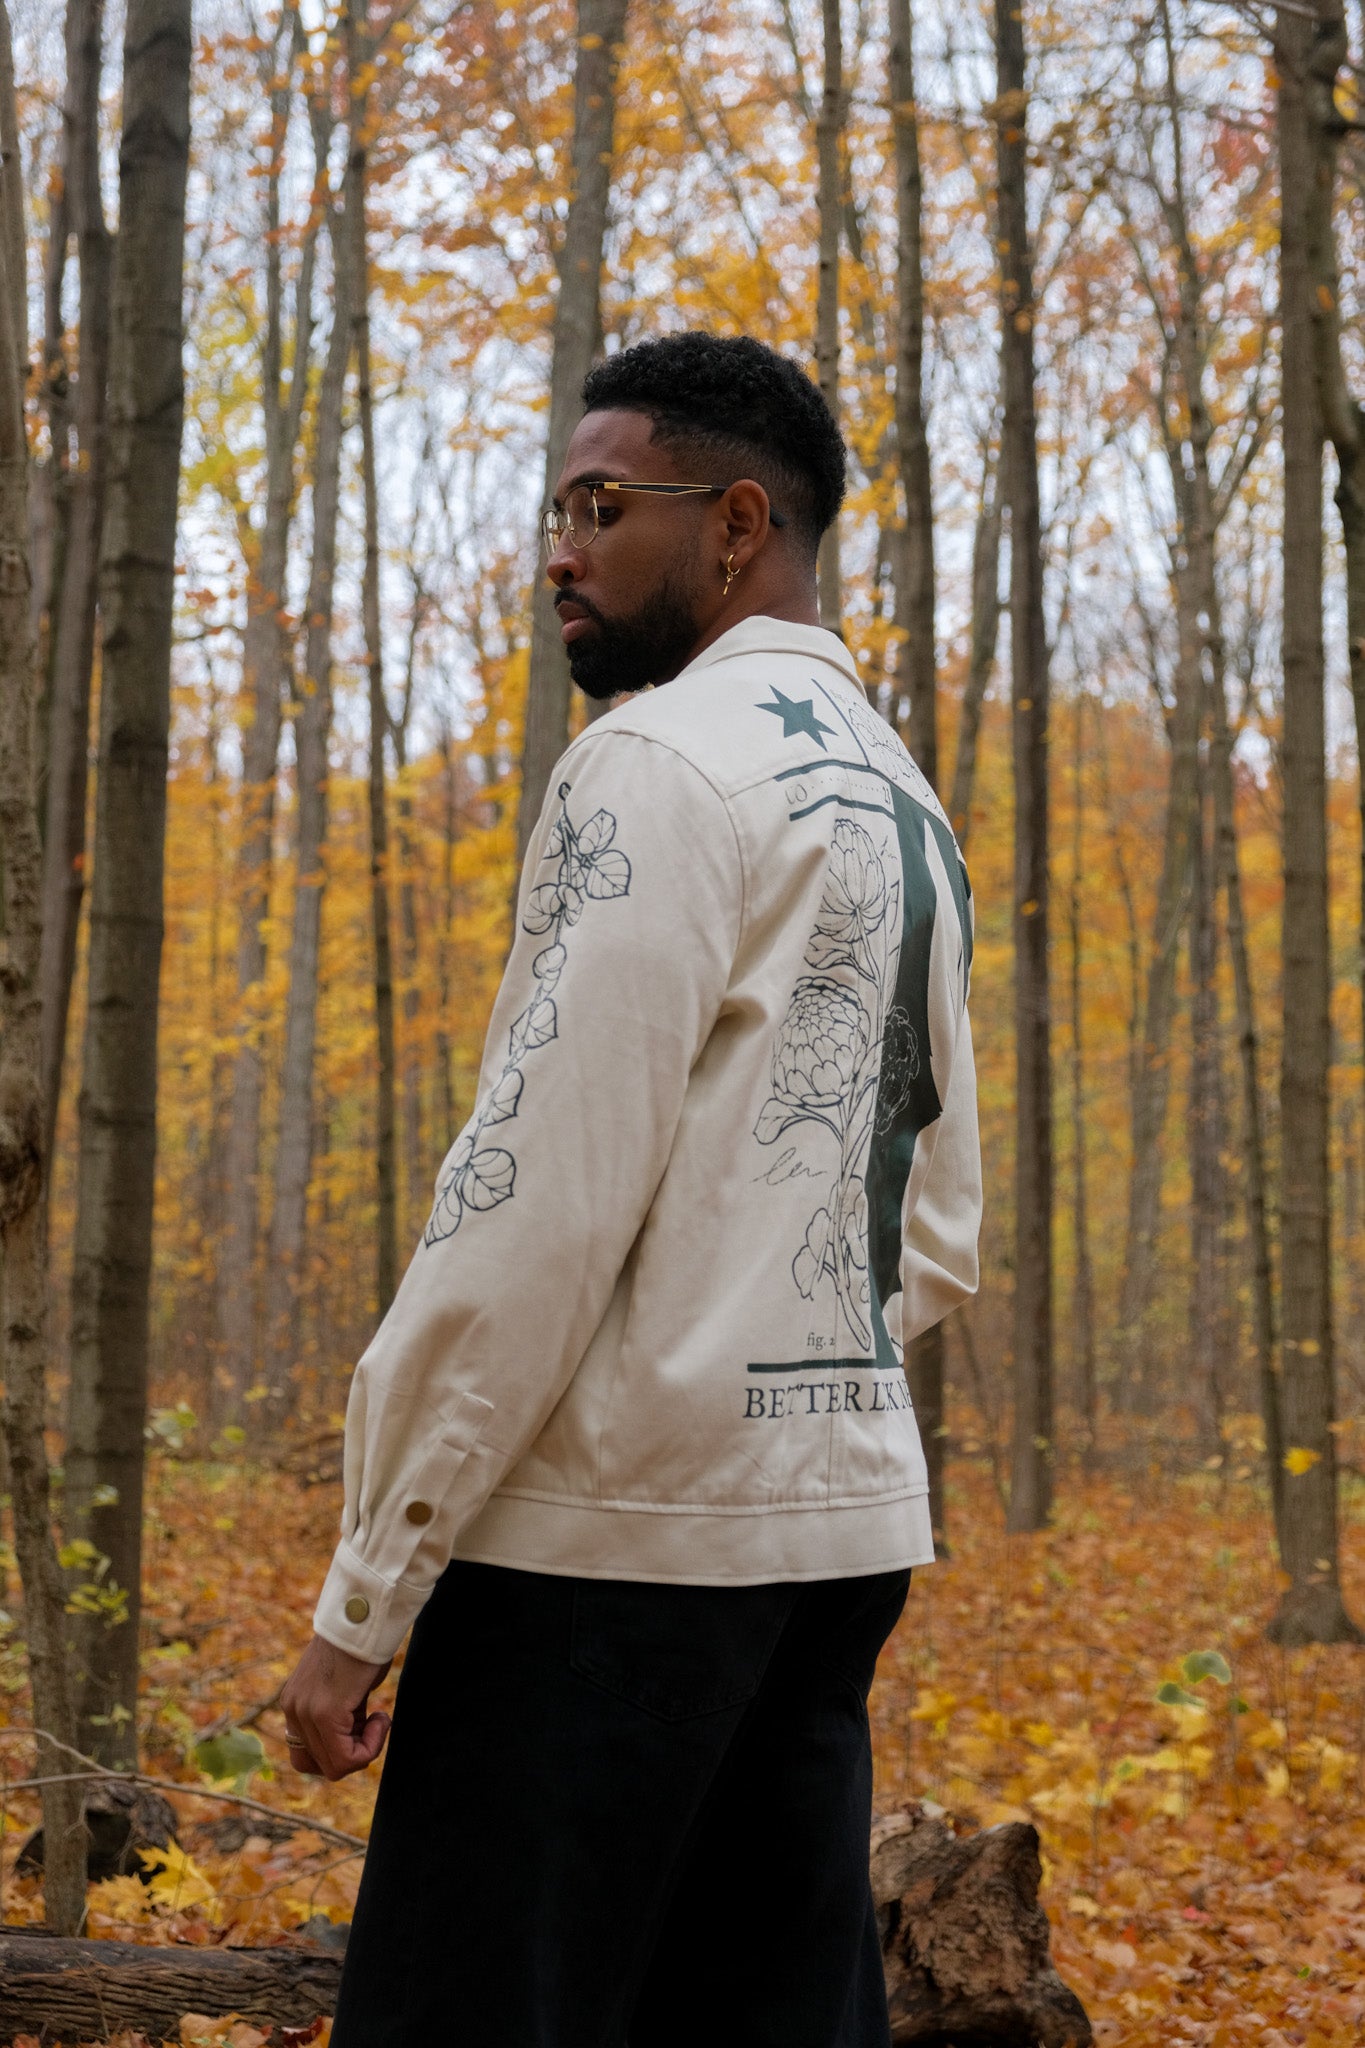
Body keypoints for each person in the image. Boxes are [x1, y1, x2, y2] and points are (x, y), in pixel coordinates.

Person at [280, 332, 981, 2047]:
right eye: (557, 511)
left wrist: (368, 1591)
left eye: (602, 508)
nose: (558, 552)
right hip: (831, 1535)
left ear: (736, 524)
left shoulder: (656, 763)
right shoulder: (901, 794)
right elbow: (935, 1231)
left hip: (601, 1560)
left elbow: (533, 1210)